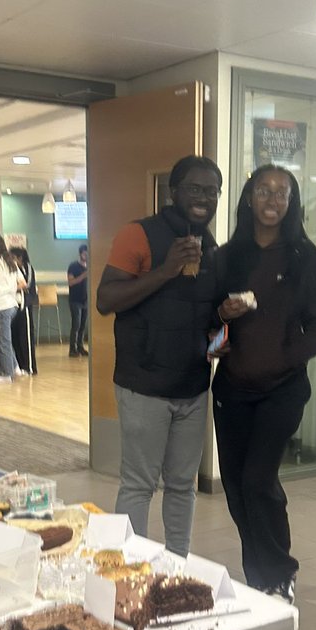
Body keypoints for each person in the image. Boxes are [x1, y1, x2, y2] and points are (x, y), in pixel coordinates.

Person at [97, 155, 239, 556]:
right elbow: (106, 300)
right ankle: (131, 566)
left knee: (181, 485)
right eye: (194, 188)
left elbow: (207, 319)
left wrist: (220, 333)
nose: (204, 197)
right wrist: (166, 269)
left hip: (192, 386)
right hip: (144, 385)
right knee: (139, 484)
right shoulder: (138, 235)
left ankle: (178, 564)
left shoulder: (213, 249)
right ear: (173, 191)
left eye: (212, 191)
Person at [212, 165, 316, 603]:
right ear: (249, 197)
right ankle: (259, 575)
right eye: (264, 190)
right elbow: (208, 325)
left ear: (291, 203)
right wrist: (221, 321)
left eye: (283, 193)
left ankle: (280, 573)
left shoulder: (304, 257)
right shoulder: (227, 257)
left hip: (282, 389)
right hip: (231, 390)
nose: (273, 199)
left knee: (259, 481)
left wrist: (285, 356)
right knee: (235, 486)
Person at [0, 233, 26, 383]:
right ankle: (15, 367)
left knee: (1, 341)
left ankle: (6, 374)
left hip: (0, 306)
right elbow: (23, 283)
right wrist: (10, 289)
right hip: (12, 305)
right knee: (0, 340)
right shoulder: (10, 260)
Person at [10, 245, 38, 375]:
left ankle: (29, 367)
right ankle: (20, 366)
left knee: (25, 337)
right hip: (14, 306)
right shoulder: (12, 269)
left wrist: (10, 287)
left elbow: (26, 285)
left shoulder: (28, 268)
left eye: (13, 257)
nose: (11, 260)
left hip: (25, 305)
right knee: (15, 337)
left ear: (20, 258)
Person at [67, 243, 89, 357]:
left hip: (86, 300)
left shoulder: (90, 267)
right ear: (80, 254)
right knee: (76, 325)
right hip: (75, 300)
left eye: (88, 254)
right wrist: (83, 276)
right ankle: (72, 349)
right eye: (84, 254)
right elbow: (71, 282)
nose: (86, 256)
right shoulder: (73, 266)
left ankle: (80, 347)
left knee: (83, 325)